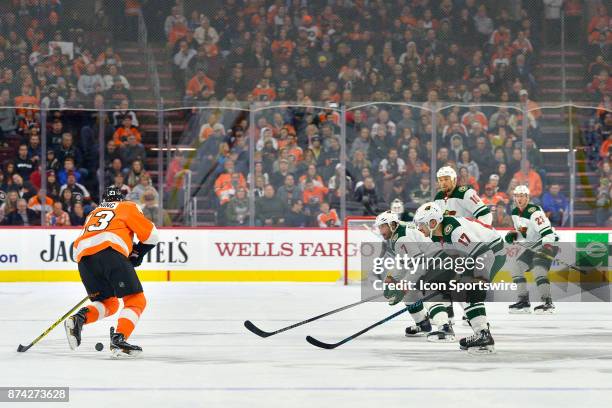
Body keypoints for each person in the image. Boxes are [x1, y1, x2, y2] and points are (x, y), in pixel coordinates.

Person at [65, 186, 159, 358]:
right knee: (136, 300)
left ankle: (79, 319)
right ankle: (119, 339)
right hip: (110, 253)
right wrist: (138, 253)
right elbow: (152, 235)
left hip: (84, 260)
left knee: (110, 303)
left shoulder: (92, 213)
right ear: (120, 199)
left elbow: (77, 248)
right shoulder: (127, 206)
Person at [414, 202, 506, 354]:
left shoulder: (454, 230)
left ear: (433, 222)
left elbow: (481, 252)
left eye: (421, 224)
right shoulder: (438, 233)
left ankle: (483, 335)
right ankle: (481, 331)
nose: (419, 228)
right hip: (481, 253)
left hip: (493, 252)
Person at [504, 185, 559, 314]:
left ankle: (547, 303)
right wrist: (514, 235)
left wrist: (546, 247)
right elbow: (524, 233)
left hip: (547, 243)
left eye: (522, 196)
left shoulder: (535, 212)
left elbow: (548, 233)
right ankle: (523, 302)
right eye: (517, 196)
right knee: (516, 266)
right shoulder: (514, 212)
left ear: (528, 197)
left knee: (539, 269)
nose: (519, 199)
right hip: (533, 246)